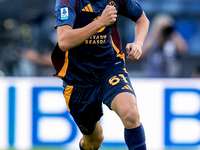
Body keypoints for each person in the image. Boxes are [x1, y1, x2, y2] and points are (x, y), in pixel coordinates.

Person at [51, 0, 149, 149]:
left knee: (130, 114)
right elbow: (64, 41)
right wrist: (100, 23)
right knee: (94, 141)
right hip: (78, 79)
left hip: (109, 68)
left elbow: (142, 19)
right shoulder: (68, 1)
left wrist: (138, 43)